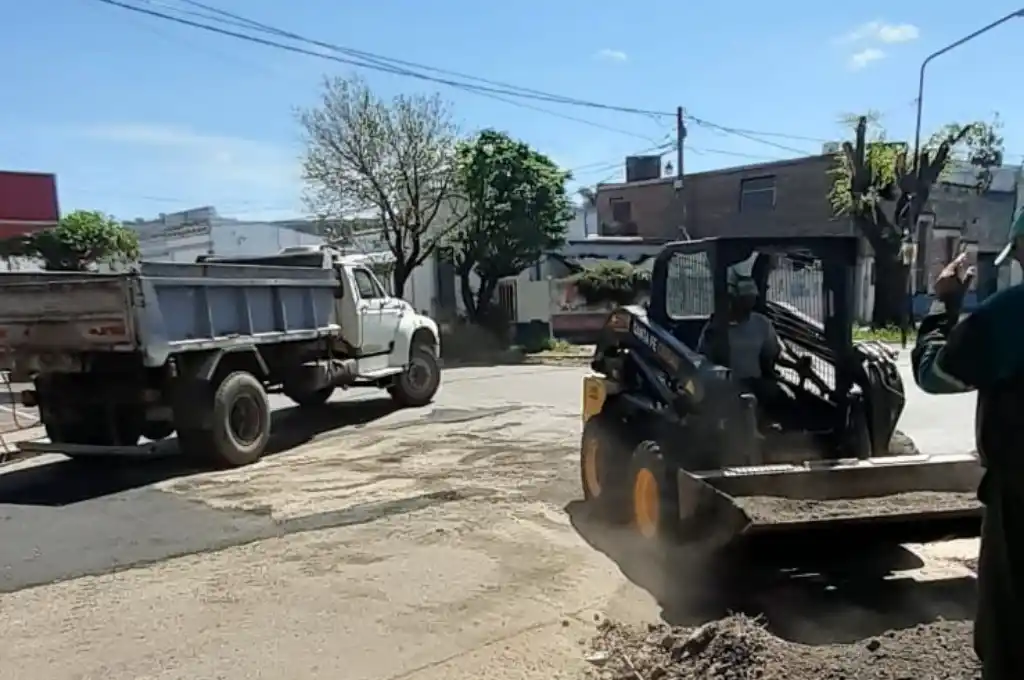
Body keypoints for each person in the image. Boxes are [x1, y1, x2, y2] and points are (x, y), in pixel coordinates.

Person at [911, 209, 1024, 679]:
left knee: (1011, 634)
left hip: (1019, 501)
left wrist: (944, 304)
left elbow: (934, 372)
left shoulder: (1011, 314)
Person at [697, 271, 782, 405]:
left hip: (755, 384)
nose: (748, 305)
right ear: (733, 299)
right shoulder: (716, 327)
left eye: (751, 300)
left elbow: (772, 353)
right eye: (744, 300)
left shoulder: (762, 323)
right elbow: (703, 359)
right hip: (726, 386)